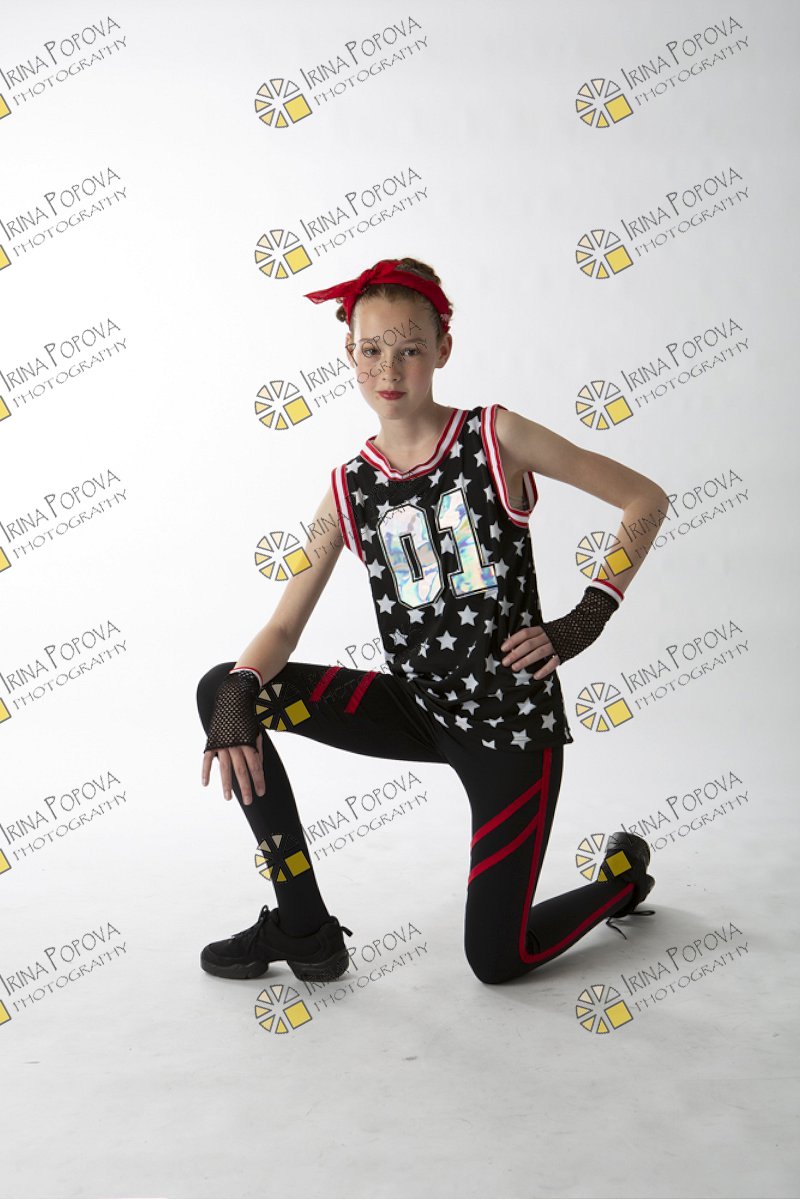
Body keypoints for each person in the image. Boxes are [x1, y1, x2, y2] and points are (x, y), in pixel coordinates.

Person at [196, 256, 667, 987]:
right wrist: (239, 692)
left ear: (443, 349)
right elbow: (283, 629)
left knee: (499, 960)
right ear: (349, 353)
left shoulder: (495, 436)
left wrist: (585, 618)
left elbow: (644, 499)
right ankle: (303, 925)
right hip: (417, 710)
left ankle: (622, 882)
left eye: (410, 348)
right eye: (372, 349)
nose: (389, 369)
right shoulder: (348, 487)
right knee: (226, 689)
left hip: (510, 726)